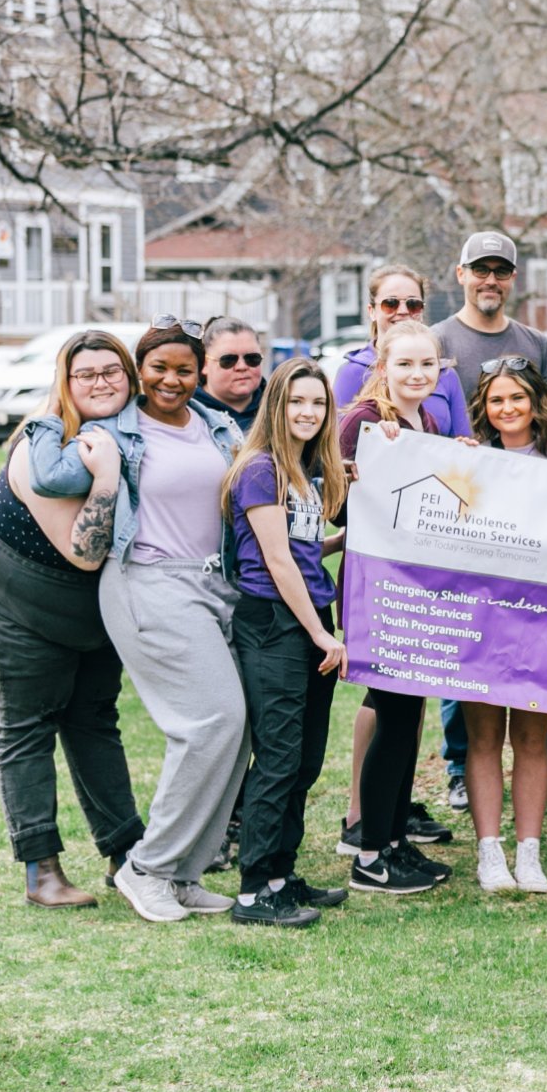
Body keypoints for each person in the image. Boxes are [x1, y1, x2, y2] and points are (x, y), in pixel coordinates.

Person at [27, 316, 249, 923]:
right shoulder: (113, 433)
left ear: (199, 371)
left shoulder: (215, 423)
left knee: (239, 728)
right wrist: (49, 420)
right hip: (149, 584)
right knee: (210, 722)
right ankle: (146, 867)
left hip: (214, 584)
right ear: (138, 374)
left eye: (184, 369)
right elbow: (50, 474)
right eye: (158, 368)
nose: (171, 380)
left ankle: (183, 873)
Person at [0, 330, 144, 908]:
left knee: (94, 716)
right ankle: (41, 870)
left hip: (93, 602)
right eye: (85, 373)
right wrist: (110, 478)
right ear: (64, 384)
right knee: (29, 721)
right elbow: (83, 550)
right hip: (21, 587)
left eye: (111, 370)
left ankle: (127, 854)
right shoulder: (39, 448)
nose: (100, 382)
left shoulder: (126, 431)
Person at [333, 264, 469, 846]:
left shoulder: (430, 419)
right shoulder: (364, 422)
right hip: (378, 590)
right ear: (381, 368)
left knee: (407, 715)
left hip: (418, 589)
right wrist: (363, 466)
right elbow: (337, 510)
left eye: (427, 365)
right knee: (391, 713)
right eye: (404, 364)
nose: (417, 373)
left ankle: (392, 835)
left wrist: (458, 457)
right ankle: (372, 844)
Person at [222, 358, 351, 927]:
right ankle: (254, 891)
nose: (308, 412)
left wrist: (342, 540)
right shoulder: (259, 469)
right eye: (297, 401)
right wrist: (321, 632)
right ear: (277, 405)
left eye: (318, 403)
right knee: (277, 757)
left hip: (303, 615)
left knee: (303, 760)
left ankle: (282, 873)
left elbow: (297, 550)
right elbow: (274, 562)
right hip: (274, 623)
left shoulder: (302, 470)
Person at [462, 356, 547, 894]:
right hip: (481, 618)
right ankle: (490, 852)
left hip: (542, 619)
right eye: (496, 400)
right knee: (483, 738)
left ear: (536, 403)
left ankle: (529, 853)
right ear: (484, 410)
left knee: (533, 739)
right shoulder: (468, 461)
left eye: (517, 398)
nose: (507, 409)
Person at [432, 230, 547, 400]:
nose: (491, 281)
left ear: (513, 278)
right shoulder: (435, 342)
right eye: (480, 270)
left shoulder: (537, 344)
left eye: (501, 271)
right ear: (461, 274)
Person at [334, 264, 472, 433]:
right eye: (390, 303)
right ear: (372, 311)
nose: (403, 311)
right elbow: (336, 444)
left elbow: (460, 442)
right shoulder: (353, 371)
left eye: (413, 304)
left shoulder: (445, 373)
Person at [193, 317, 267, 434]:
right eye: (228, 360)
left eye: (252, 358)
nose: (242, 367)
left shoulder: (281, 410)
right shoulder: (186, 414)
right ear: (205, 364)